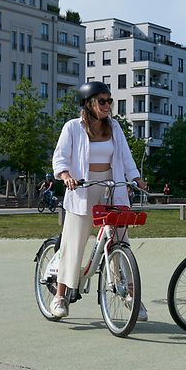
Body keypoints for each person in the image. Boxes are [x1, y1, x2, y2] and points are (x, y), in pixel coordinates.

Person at [49, 82, 148, 320]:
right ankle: (60, 295)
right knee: (74, 243)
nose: (107, 105)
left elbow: (125, 156)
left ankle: (130, 294)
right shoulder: (72, 127)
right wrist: (66, 176)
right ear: (88, 103)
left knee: (120, 241)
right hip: (82, 189)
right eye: (101, 101)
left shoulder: (114, 127)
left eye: (109, 100)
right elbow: (60, 157)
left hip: (112, 186)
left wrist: (136, 178)